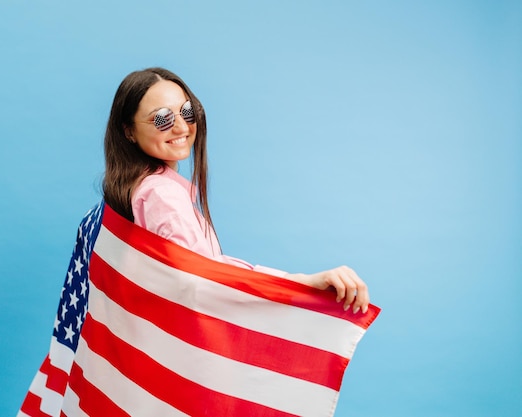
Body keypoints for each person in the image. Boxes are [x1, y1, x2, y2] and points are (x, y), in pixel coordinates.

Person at [102, 67, 369, 314]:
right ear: (129, 132)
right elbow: (206, 281)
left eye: (187, 111)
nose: (182, 127)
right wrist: (302, 284)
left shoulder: (132, 191)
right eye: (162, 118)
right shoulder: (162, 195)